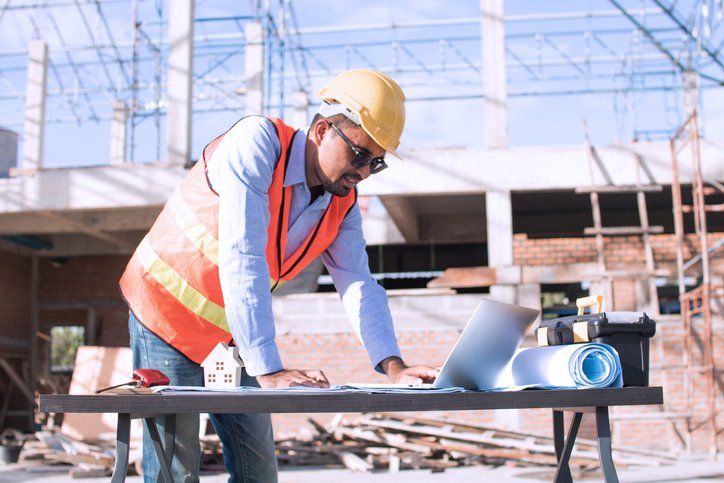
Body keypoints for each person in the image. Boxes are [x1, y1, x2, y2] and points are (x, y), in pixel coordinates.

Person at [120, 69, 439, 482]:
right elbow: (243, 255)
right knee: (176, 472)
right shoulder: (256, 144)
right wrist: (268, 371)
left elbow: (358, 281)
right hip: (165, 314)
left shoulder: (342, 200)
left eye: (375, 164)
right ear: (323, 130)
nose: (363, 172)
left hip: (232, 334)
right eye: (359, 155)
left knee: (259, 472)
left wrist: (394, 367)